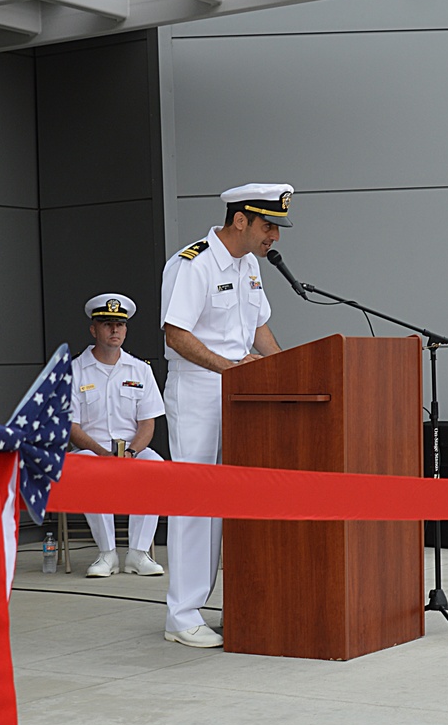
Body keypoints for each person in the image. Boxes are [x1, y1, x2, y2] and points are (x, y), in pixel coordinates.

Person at [159, 183, 292, 647]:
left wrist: (286, 372)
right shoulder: (191, 263)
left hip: (240, 391)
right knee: (197, 500)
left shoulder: (250, 264)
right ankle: (181, 614)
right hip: (198, 389)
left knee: (230, 499)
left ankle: (206, 601)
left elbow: (258, 327)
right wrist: (232, 369)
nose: (274, 236)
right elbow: (176, 334)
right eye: (268, 225)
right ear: (241, 220)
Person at [70, 294, 166, 578]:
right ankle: (107, 553)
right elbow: (71, 427)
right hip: (91, 450)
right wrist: (104, 455)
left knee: (157, 468)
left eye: (120, 325)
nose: (114, 330)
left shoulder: (140, 369)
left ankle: (138, 553)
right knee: (88, 467)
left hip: (131, 450)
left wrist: (132, 452)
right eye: (107, 324)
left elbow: (147, 424)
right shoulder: (74, 370)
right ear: (93, 329)